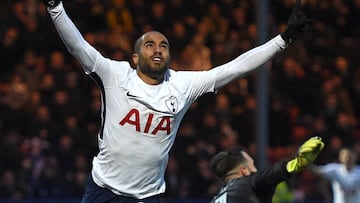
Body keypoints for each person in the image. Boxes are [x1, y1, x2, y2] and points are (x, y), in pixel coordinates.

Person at [41, 0, 312, 202]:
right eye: (149, 44)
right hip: (103, 191)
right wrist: (55, 7)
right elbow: (77, 45)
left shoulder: (182, 84)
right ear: (134, 58)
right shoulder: (114, 74)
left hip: (148, 197)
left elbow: (235, 68)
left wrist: (283, 40)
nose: (158, 49)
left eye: (164, 45)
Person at [209, 136, 325, 203]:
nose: (256, 171)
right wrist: (296, 164)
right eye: (253, 165)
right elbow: (271, 174)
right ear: (244, 171)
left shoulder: (215, 200)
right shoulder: (245, 182)